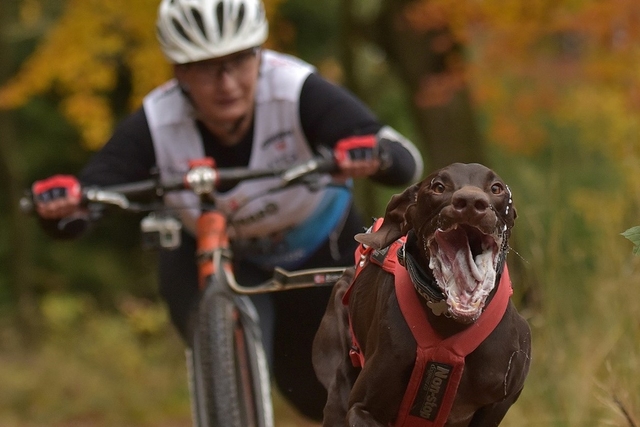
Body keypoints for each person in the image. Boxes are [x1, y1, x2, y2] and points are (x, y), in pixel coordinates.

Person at [31, 0, 424, 421]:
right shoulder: (157, 119)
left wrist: (374, 156)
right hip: (215, 256)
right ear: (180, 72)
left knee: (326, 393)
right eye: (205, 67)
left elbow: (406, 160)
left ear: (259, 55)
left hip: (319, 248)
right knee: (221, 352)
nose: (227, 82)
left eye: (239, 61)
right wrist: (64, 207)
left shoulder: (295, 89)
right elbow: (90, 197)